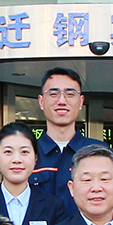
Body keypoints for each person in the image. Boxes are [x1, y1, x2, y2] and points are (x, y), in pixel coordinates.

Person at [28, 67, 102, 205]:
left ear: (81, 102)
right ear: (41, 101)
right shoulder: (28, 152)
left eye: (70, 94)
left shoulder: (99, 151)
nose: (62, 101)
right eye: (53, 94)